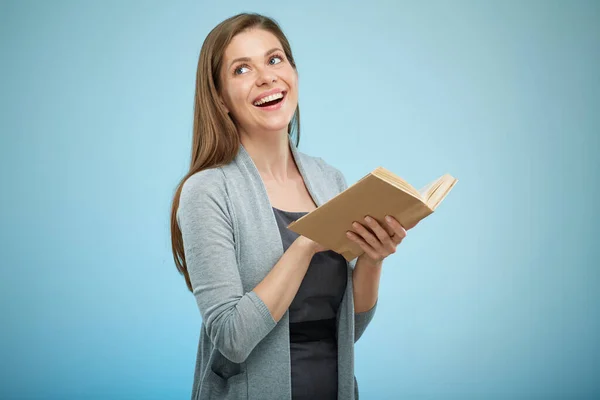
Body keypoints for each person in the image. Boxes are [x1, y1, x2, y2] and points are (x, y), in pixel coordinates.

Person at [170, 12, 408, 400]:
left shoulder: (329, 180)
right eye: (242, 69)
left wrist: (373, 259)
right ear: (221, 99)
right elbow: (232, 339)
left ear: (294, 74)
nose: (266, 77)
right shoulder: (208, 192)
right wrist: (307, 242)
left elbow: (349, 328)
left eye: (274, 59)